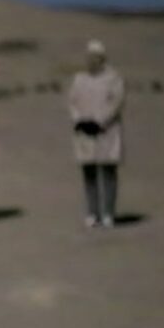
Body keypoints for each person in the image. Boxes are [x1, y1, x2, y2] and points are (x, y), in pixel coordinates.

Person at [68, 39, 125, 228]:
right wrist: (79, 120)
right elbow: (72, 101)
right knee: (89, 172)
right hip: (84, 131)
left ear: (102, 59)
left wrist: (100, 121)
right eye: (89, 57)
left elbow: (116, 103)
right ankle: (93, 213)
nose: (91, 61)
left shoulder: (113, 78)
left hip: (106, 131)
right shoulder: (79, 78)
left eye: (95, 58)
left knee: (108, 172)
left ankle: (108, 212)